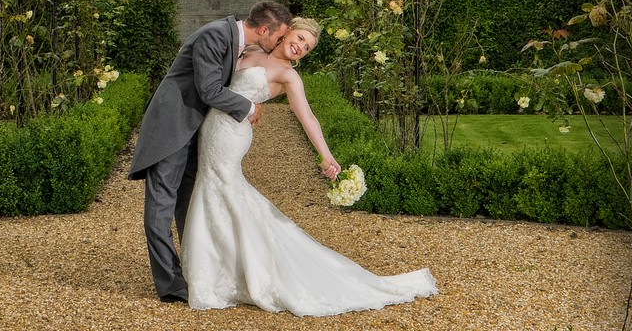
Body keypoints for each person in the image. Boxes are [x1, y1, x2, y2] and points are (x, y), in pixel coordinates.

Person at [180, 17, 439, 315]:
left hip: (232, 134)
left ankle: (225, 272)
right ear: (287, 31)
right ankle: (222, 265)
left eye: (307, 47)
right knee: (213, 189)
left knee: (222, 187)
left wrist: (327, 156)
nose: (301, 47)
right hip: (211, 126)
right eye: (300, 38)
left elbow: (308, 117)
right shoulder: (252, 49)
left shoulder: (289, 76)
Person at [128, 0, 294, 303]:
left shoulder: (236, 41)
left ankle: (195, 270)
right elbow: (208, 90)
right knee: (160, 207)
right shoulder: (214, 35)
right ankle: (170, 285)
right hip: (172, 126)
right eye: (280, 37)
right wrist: (248, 107)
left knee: (189, 203)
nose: (281, 42)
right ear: (264, 30)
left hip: (194, 130)